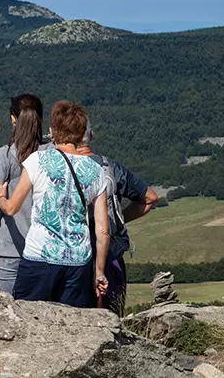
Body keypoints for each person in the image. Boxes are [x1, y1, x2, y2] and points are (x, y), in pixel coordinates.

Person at [0, 101, 110, 307]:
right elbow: (103, 230)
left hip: (39, 256)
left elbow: (11, 208)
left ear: (52, 131)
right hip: (78, 261)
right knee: (71, 323)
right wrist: (98, 272)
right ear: (82, 133)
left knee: (27, 317)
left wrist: (0, 196)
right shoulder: (97, 171)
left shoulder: (38, 160)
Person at [77, 119, 158, 315]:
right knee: (111, 318)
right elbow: (150, 198)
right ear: (92, 135)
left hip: (73, 257)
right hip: (111, 255)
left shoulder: (59, 168)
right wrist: (116, 219)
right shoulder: (111, 168)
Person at [0, 94, 52, 295]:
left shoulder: (4, 155)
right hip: (44, 247)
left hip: (10, 247)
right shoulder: (50, 153)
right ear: (41, 119)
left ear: (13, 119)